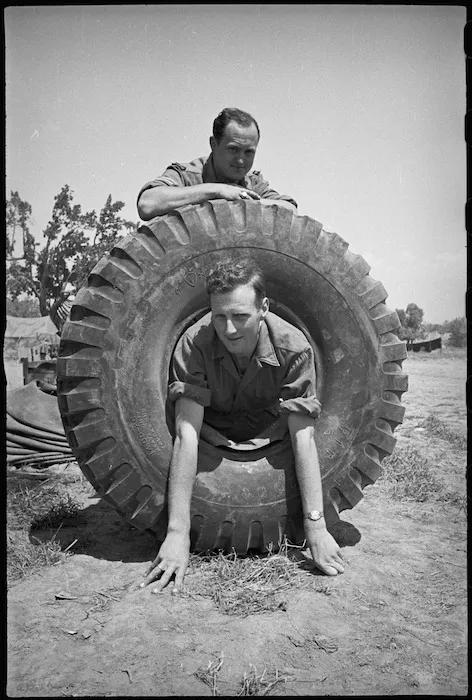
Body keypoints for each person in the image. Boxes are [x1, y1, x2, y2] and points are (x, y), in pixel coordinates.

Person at [140, 254, 344, 595]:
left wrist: (316, 526)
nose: (229, 329)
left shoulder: (294, 349)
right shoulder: (194, 343)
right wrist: (177, 534)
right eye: (219, 316)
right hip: (210, 439)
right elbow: (186, 433)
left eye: (240, 316)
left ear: (264, 308)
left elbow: (303, 438)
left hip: (269, 439)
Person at [137, 107, 297, 220]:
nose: (241, 160)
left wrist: (244, 200)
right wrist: (217, 191)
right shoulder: (187, 176)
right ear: (213, 144)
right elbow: (147, 204)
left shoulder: (252, 183)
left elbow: (290, 210)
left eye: (248, 152)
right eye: (233, 149)